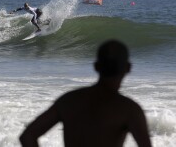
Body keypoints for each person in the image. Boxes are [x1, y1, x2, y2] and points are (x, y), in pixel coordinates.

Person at [19, 39, 152, 147]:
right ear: (128, 68)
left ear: (96, 66)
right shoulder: (129, 109)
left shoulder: (69, 101)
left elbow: (28, 136)